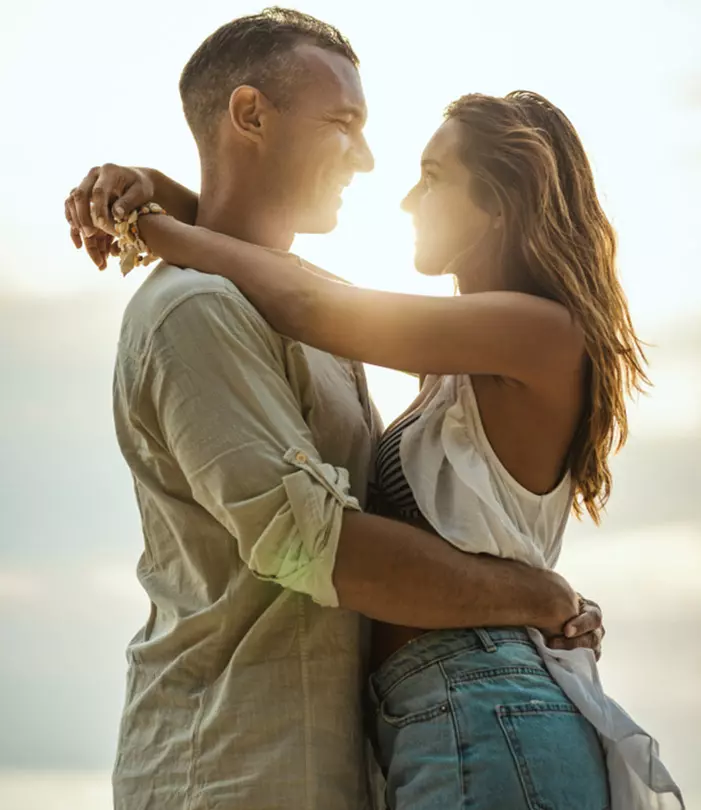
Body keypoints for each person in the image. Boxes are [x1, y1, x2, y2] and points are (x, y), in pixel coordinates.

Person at [64, 9, 607, 810]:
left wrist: (162, 218)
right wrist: (537, 596)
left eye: (431, 174)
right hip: (235, 766)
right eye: (344, 123)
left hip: (433, 726)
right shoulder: (199, 313)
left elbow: (310, 297)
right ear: (250, 115)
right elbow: (312, 542)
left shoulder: (502, 335)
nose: (375, 166)